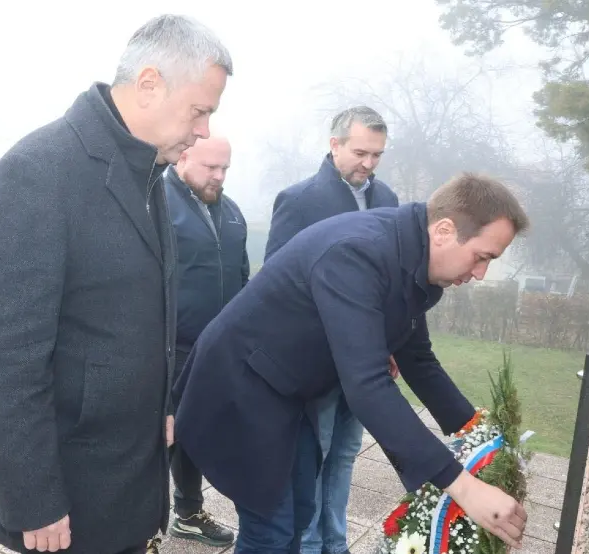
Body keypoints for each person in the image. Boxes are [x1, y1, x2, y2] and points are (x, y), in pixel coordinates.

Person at [0, 14, 233, 554]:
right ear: (150, 84)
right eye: (199, 111)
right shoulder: (37, 173)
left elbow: (136, 315)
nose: (203, 130)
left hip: (126, 471)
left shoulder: (147, 173)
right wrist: (34, 499)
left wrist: (164, 403)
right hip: (67, 486)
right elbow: (2, 357)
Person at [173, 173, 531, 553]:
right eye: (482, 257)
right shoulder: (358, 252)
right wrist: (463, 486)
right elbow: (368, 385)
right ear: (443, 230)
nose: (480, 274)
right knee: (271, 528)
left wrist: (480, 436)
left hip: (288, 392)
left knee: (300, 512)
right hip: (239, 388)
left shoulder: (411, 260)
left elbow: (418, 359)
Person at [265, 106, 398, 554]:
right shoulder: (299, 200)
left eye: (377, 155)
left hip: (365, 364)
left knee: (344, 456)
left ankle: (335, 546)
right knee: (313, 459)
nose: (368, 163)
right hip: (318, 359)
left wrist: (388, 345)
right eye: (360, 152)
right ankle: (307, 544)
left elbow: (390, 286)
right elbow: (275, 286)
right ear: (334, 144)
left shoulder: (389, 202)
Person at [164, 135, 245, 547]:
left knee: (195, 431)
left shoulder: (232, 214)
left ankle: (188, 513)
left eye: (225, 168)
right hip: (169, 345)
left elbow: (243, 280)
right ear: (183, 157)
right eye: (210, 167)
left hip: (216, 348)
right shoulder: (156, 202)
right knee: (160, 434)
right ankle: (143, 524)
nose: (218, 176)